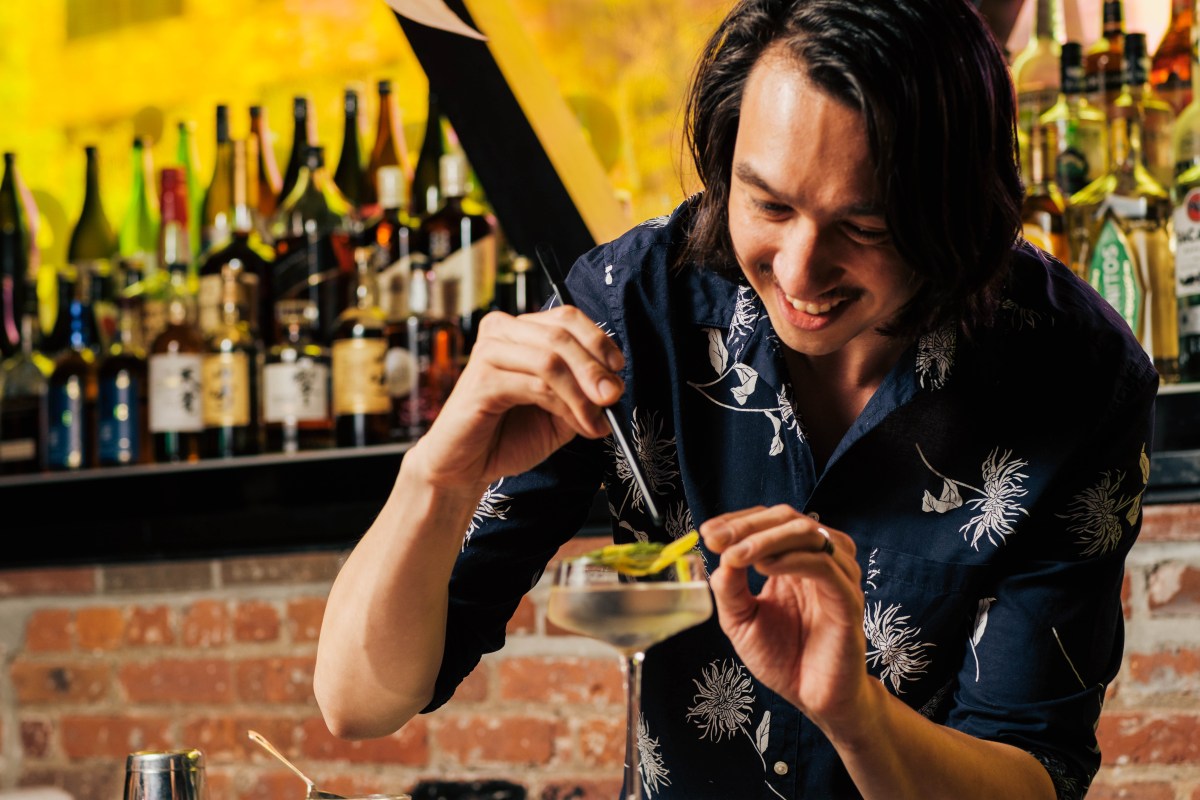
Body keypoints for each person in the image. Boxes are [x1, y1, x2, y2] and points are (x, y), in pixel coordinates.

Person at [313, 0, 1157, 797]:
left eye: (863, 228)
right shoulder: (637, 305)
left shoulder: (1074, 376)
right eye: (769, 205)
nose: (798, 273)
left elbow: (1030, 773)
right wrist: (438, 473)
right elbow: (361, 702)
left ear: (955, 210)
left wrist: (855, 713)